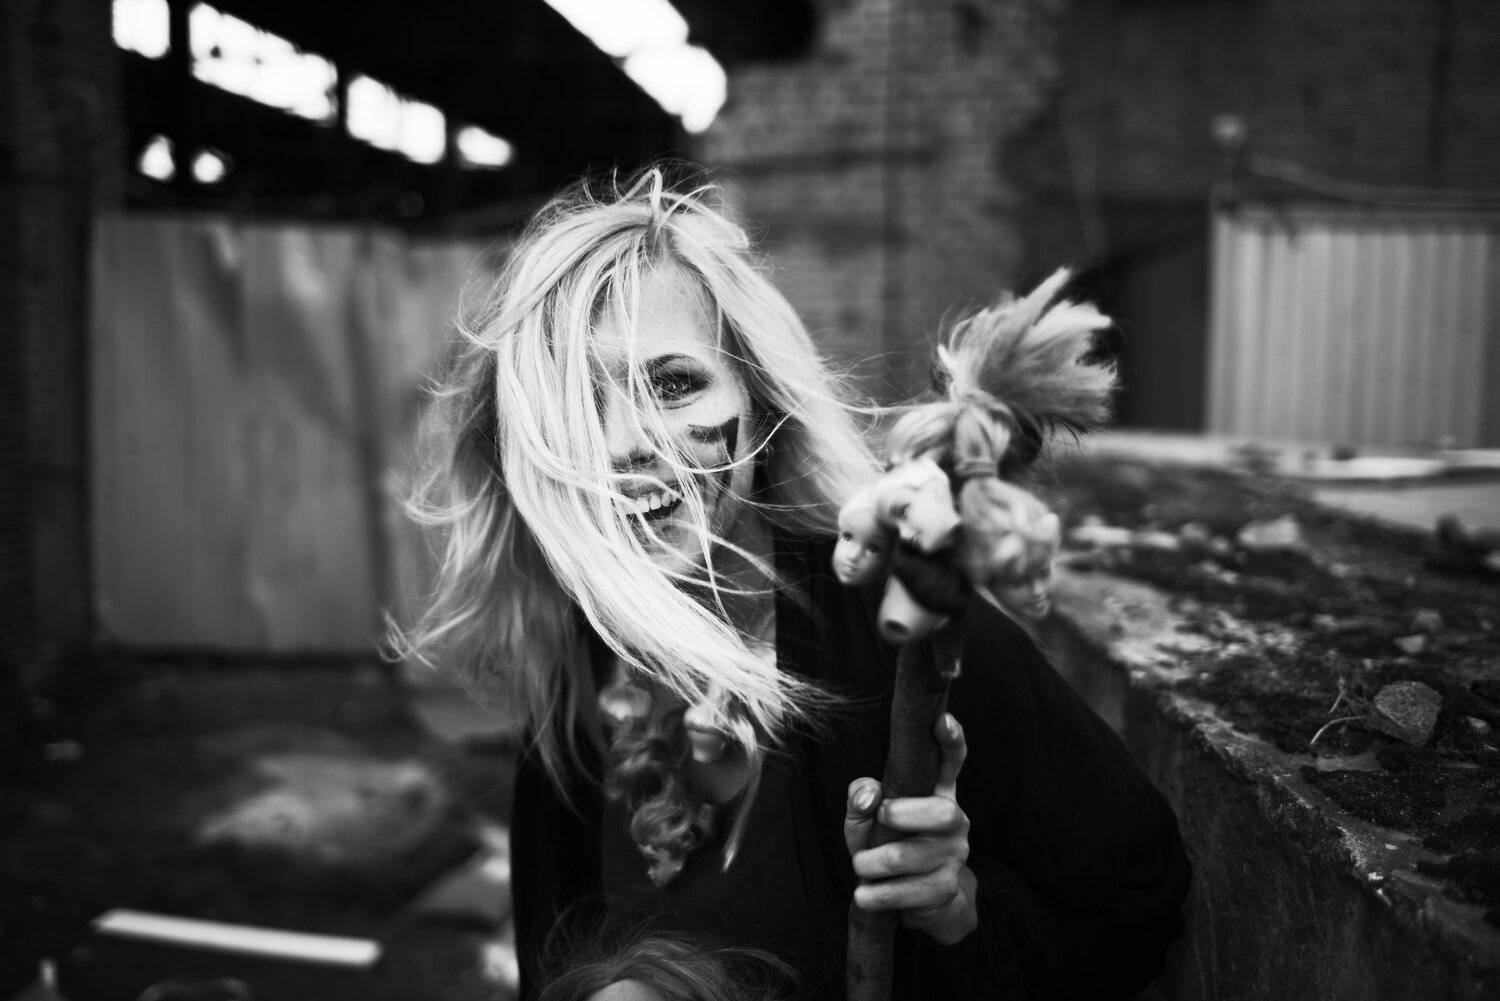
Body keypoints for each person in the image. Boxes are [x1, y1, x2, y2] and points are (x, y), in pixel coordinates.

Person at [397, 168, 1190, 1000]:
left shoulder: (904, 636)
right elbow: (549, 954)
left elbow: (1137, 898)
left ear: (760, 396)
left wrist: (959, 914)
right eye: (578, 407)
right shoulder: (573, 682)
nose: (625, 443)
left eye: (672, 383)